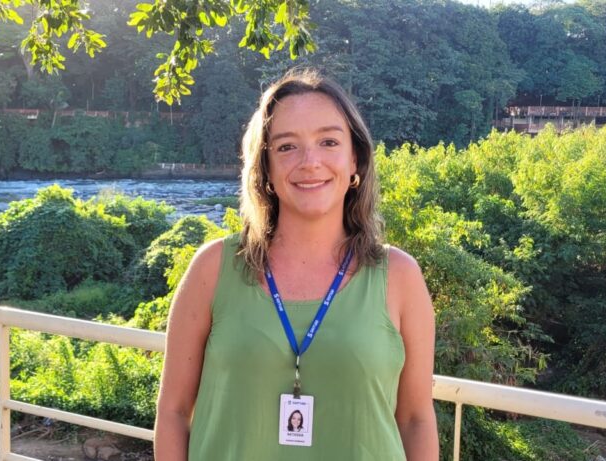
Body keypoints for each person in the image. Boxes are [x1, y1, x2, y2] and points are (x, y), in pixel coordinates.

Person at [153, 68, 439, 460]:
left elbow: (416, 421)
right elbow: (173, 413)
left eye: (328, 141)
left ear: (355, 158)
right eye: (287, 146)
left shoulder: (400, 277)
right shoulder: (213, 269)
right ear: (265, 168)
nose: (310, 161)